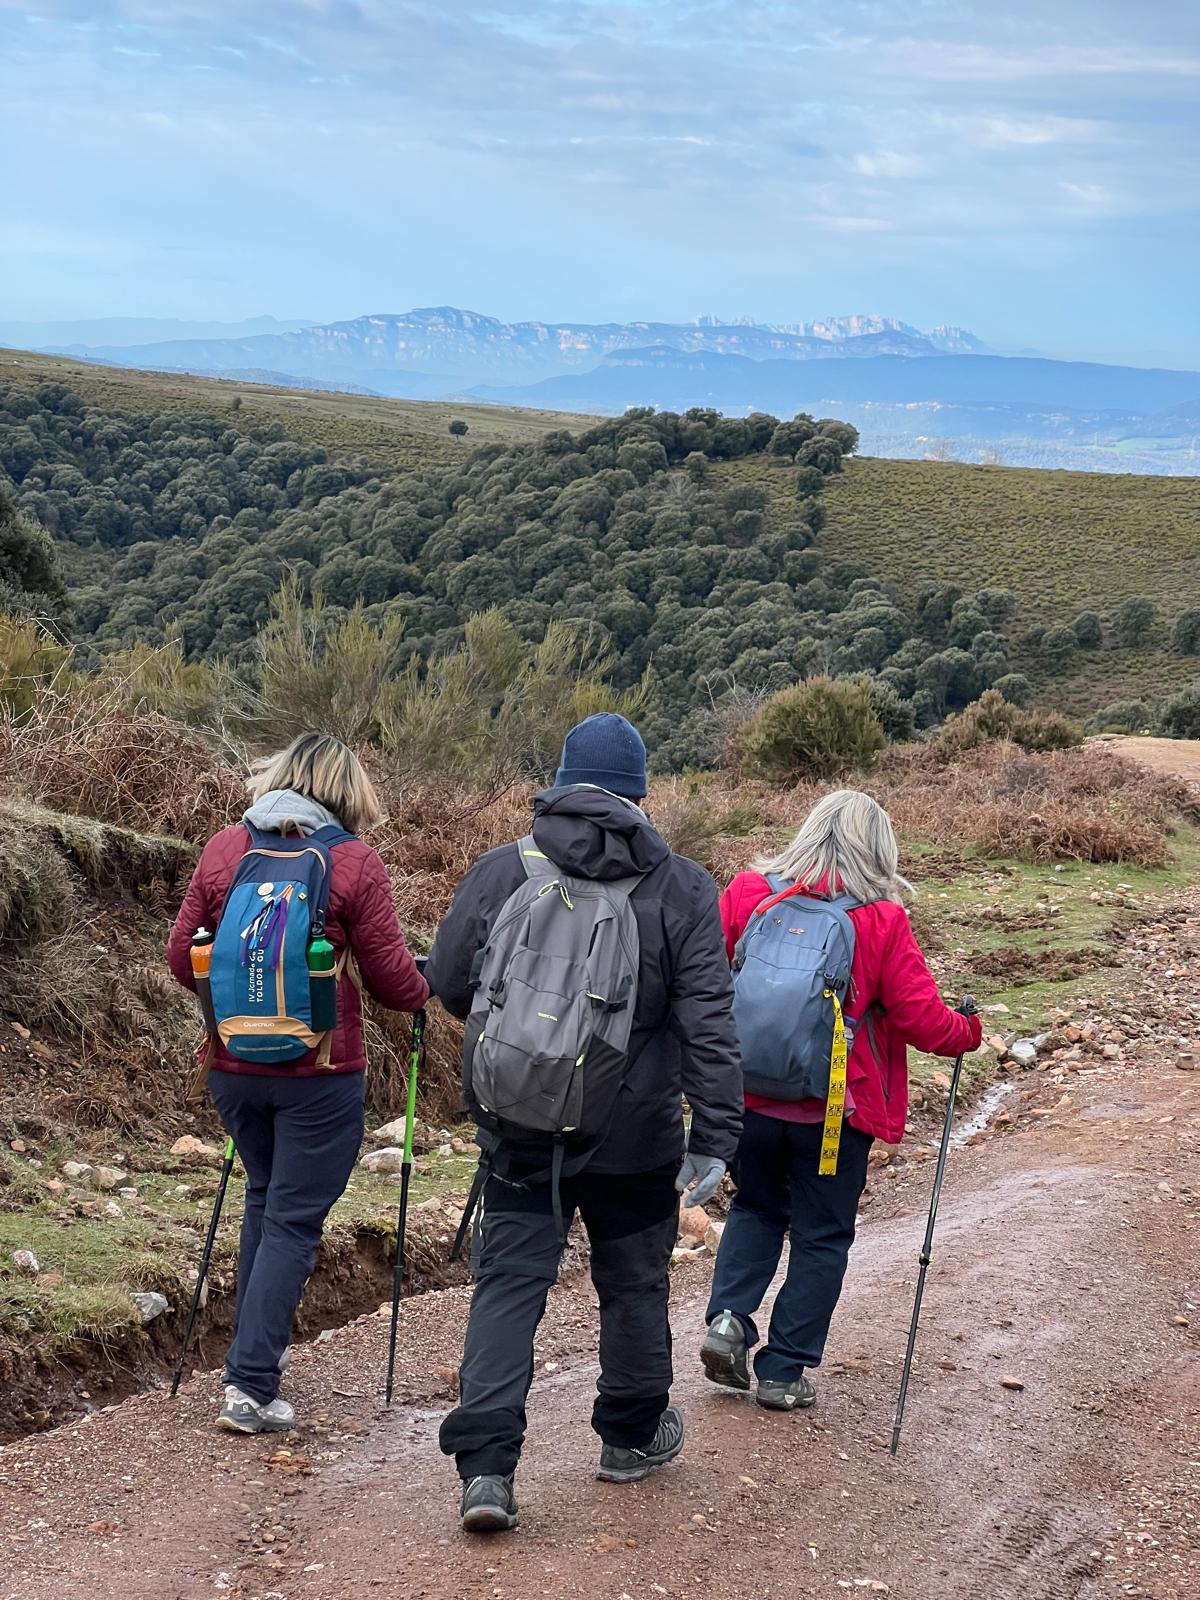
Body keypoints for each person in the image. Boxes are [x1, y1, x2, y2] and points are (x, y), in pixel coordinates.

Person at [427, 712, 741, 1534]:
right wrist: (715, 1135)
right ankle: (629, 1438)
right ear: (641, 793)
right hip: (635, 1133)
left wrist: (530, 1045)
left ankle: (487, 1470)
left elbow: (452, 982)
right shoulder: (682, 886)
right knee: (633, 1281)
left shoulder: (504, 868)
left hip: (521, 1125)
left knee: (508, 1285)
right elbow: (709, 1020)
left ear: (562, 783)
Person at [167, 732, 428, 1434]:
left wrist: (242, 1006)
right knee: (291, 1219)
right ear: (348, 791)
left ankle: (250, 1358)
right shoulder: (353, 861)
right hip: (319, 1072)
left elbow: (181, 956)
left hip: (233, 1069)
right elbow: (393, 982)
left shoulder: (226, 849)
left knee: (266, 1198)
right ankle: (251, 1386)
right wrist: (427, 988)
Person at [700, 789, 981, 1411]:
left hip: (748, 1099)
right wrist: (968, 1030)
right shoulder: (880, 919)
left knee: (754, 1209)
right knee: (821, 1236)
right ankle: (782, 1371)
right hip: (833, 1115)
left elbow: (706, 982)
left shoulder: (750, 892)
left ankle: (728, 1320)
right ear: (879, 848)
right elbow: (923, 1021)